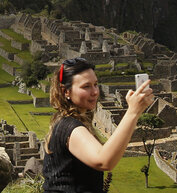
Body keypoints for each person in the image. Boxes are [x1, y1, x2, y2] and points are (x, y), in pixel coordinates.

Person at [42, 57, 154, 192]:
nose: (95, 92)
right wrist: (133, 112)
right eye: (86, 86)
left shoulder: (66, 122)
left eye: (95, 84)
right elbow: (104, 160)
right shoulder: (69, 127)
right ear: (66, 91)